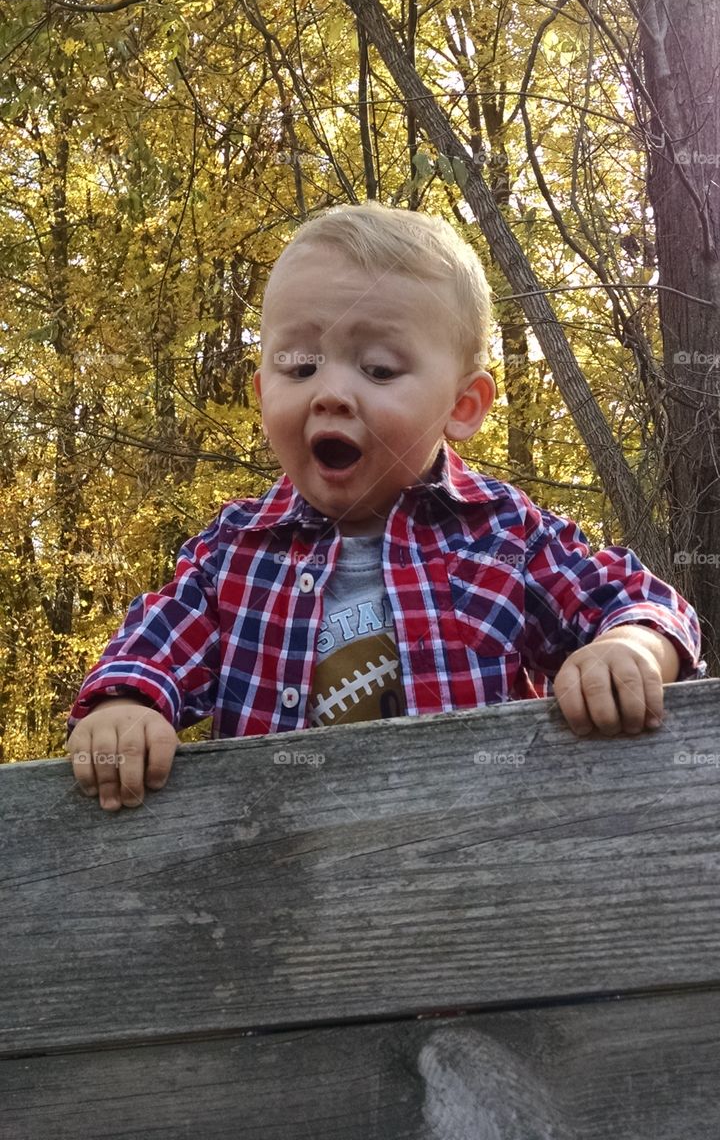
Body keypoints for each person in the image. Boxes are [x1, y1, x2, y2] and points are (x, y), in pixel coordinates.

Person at [66, 201, 705, 811]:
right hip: (275, 873)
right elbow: (152, 648)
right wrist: (126, 705)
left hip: (474, 868)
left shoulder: (504, 536)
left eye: (377, 369)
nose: (331, 392)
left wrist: (631, 647)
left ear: (462, 407)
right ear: (263, 394)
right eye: (299, 366)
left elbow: (637, 600)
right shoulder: (235, 553)